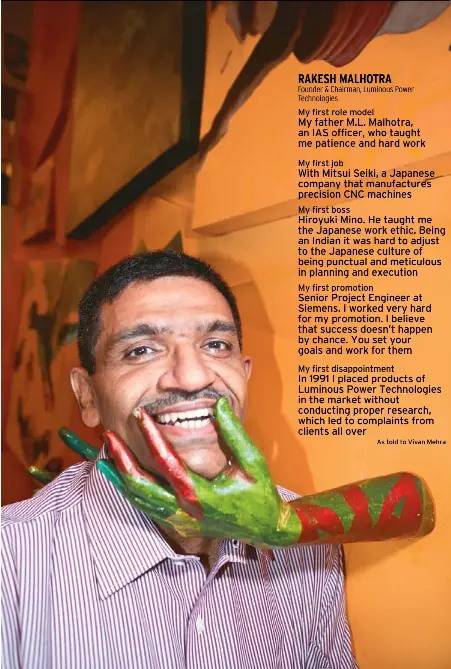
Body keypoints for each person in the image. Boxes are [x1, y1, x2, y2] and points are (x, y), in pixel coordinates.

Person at [2, 251, 358, 669]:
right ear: (87, 396)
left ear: (245, 374)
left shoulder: (305, 542)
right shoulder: (12, 561)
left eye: (216, 345)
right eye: (141, 350)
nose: (192, 377)